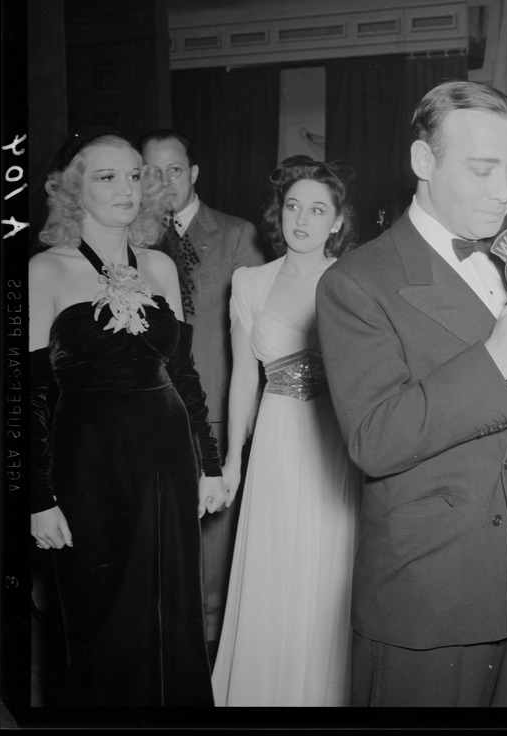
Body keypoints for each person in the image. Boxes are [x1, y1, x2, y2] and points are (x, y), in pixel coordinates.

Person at [316, 80, 507, 707]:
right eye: (483, 169)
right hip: (431, 603)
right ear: (423, 162)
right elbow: (374, 439)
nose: (506, 192)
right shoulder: (358, 281)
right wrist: (495, 360)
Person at [28, 127, 227, 706]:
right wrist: (38, 497)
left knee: (174, 616)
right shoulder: (46, 271)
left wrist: (208, 467)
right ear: (71, 189)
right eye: (106, 177)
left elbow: (184, 376)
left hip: (167, 465)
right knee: (102, 622)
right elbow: (30, 396)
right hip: (89, 469)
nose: (127, 189)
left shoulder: (162, 267)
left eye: (135, 176)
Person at [211, 156, 362, 706]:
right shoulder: (249, 282)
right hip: (275, 437)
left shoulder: (353, 280)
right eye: (293, 206)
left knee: (328, 569)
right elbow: (242, 380)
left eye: (317, 209)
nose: (302, 219)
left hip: (334, 441)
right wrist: (232, 461)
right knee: (274, 566)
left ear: (338, 221)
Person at [139, 129, 265, 663]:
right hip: (145, 415)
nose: (162, 181)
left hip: (209, 414)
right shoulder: (133, 241)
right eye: (151, 171)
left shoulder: (238, 236)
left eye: (173, 169)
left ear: (193, 174)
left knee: (212, 554)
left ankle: (209, 666)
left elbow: (257, 338)